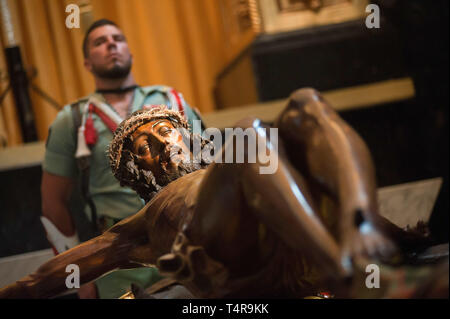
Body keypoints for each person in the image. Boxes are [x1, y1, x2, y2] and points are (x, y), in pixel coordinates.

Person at [1, 88, 438, 299]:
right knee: (251, 134)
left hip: (292, 248)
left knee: (306, 104)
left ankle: (363, 241)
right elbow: (44, 278)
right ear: (138, 177)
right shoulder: (139, 226)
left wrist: (401, 237)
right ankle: (351, 276)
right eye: (145, 149)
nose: (162, 147)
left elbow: (322, 193)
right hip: (227, 258)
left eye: (167, 133)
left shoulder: (233, 164)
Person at [40, 19, 204, 299]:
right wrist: (80, 276)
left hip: (187, 240)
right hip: (120, 254)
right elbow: (53, 204)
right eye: (99, 42)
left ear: (130, 52)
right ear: (87, 63)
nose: (111, 44)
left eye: (117, 38)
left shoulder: (171, 100)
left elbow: (206, 165)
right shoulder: (73, 119)